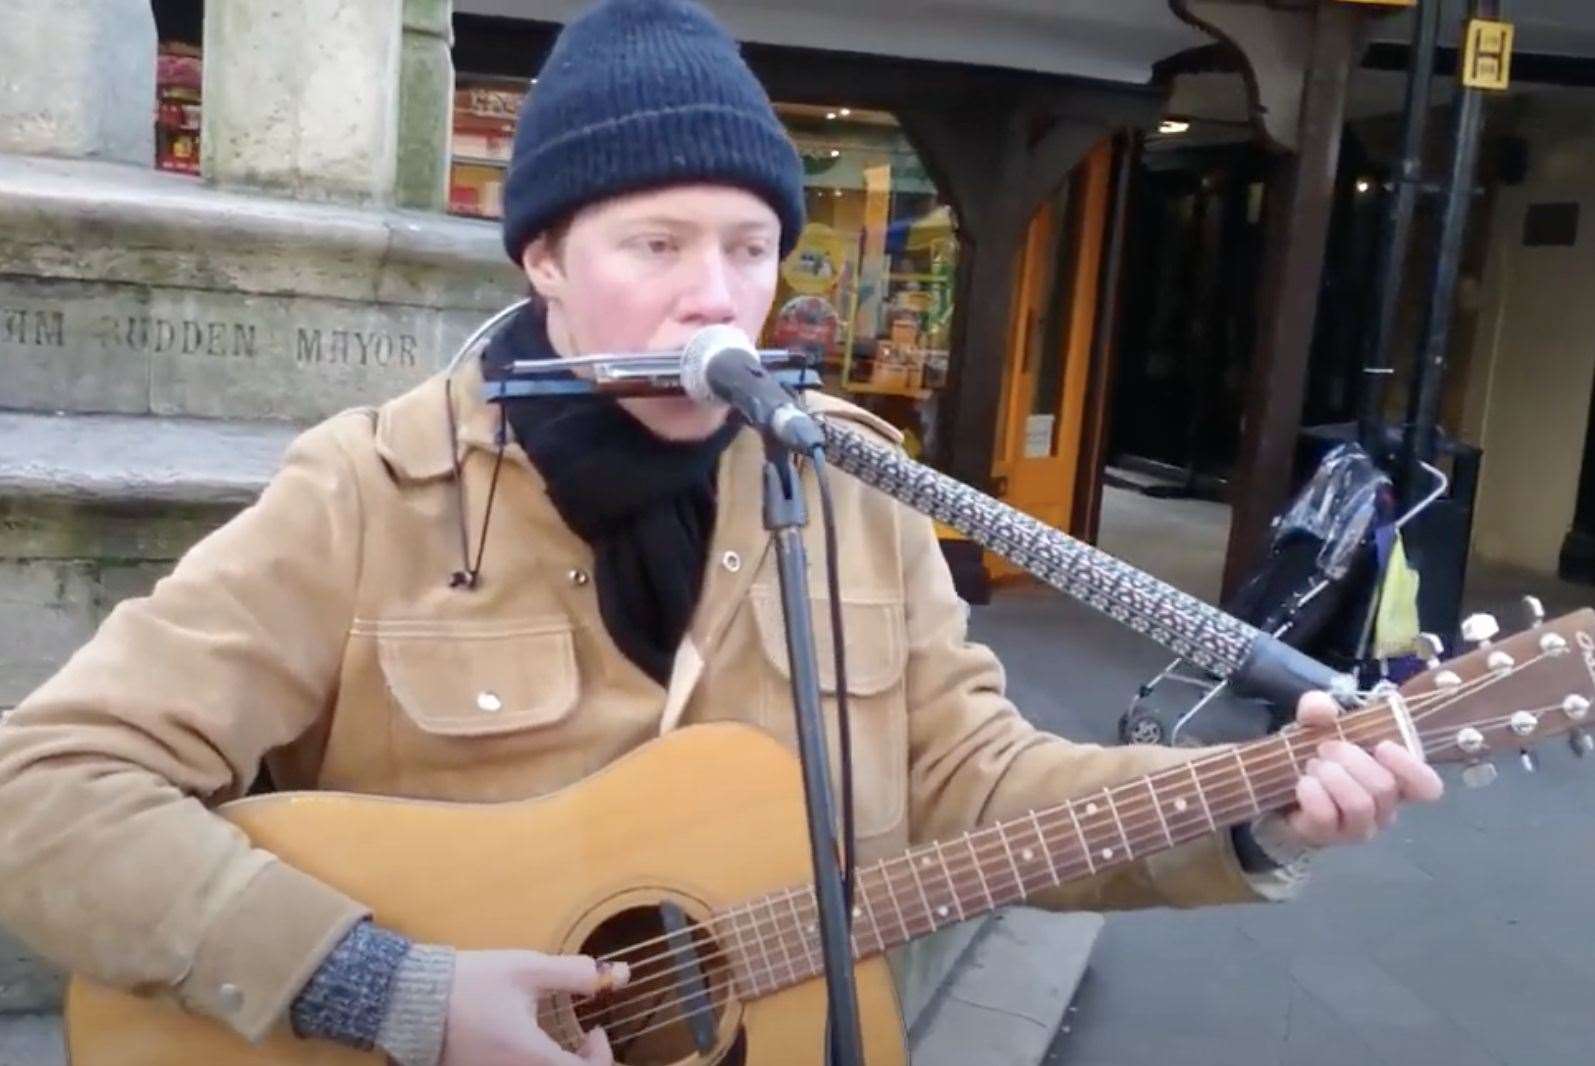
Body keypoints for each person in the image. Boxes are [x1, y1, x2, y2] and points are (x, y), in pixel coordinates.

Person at [0, 2, 1444, 1065]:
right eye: (656, 245)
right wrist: (391, 987)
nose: (716, 300)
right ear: (547, 258)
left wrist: (1244, 806)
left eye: (750, 249)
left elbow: (981, 784)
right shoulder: (370, 492)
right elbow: (48, 787)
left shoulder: (859, 494)